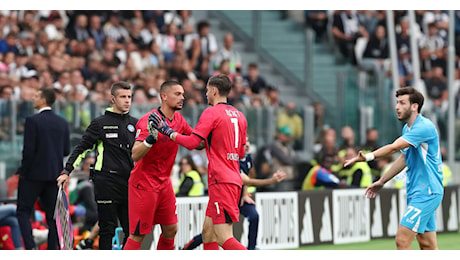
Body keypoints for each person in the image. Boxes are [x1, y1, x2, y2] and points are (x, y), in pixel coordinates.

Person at [149, 74, 248, 250]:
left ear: (215, 91)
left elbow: (193, 143)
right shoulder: (240, 116)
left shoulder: (211, 112)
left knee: (224, 237)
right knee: (208, 234)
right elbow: (241, 152)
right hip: (233, 178)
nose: (206, 94)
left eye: (207, 90)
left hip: (220, 179)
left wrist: (169, 132)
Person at [344, 86, 444, 250]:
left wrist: (368, 156)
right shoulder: (408, 129)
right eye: (397, 103)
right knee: (427, 246)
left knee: (402, 240)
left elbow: (393, 148)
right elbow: (404, 158)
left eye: (402, 103)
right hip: (416, 191)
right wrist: (382, 181)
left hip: (427, 192)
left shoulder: (424, 127)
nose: (397, 107)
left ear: (414, 106)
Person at [57, 81, 137, 250]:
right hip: (106, 181)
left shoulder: (135, 124)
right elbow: (81, 148)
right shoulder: (100, 123)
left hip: (129, 182)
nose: (127, 100)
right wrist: (67, 171)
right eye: (123, 97)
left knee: (131, 231)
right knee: (107, 229)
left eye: (129, 97)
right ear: (113, 99)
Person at [122, 80, 196, 250]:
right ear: (164, 96)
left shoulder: (179, 119)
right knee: (139, 234)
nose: (182, 98)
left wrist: (209, 133)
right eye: (177, 94)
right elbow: (135, 154)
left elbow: (195, 142)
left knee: (171, 229)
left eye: (183, 94)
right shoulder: (149, 120)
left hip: (164, 183)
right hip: (144, 183)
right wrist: (150, 140)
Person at [182, 137, 287, 250]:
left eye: (248, 141)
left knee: (253, 216)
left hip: (239, 199)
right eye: (243, 142)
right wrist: (272, 181)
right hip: (226, 200)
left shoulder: (248, 159)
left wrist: (245, 193)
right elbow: (247, 180)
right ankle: (186, 249)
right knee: (211, 234)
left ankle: (252, 248)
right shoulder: (232, 161)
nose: (246, 144)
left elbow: (248, 177)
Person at [16, 87, 70, 250]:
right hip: (54, 175)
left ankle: (31, 248)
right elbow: (66, 150)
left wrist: (23, 172)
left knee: (23, 212)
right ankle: (52, 250)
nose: (33, 98)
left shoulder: (33, 121)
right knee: (53, 217)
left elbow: (28, 151)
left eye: (37, 96)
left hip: (33, 176)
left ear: (44, 100)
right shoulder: (62, 122)